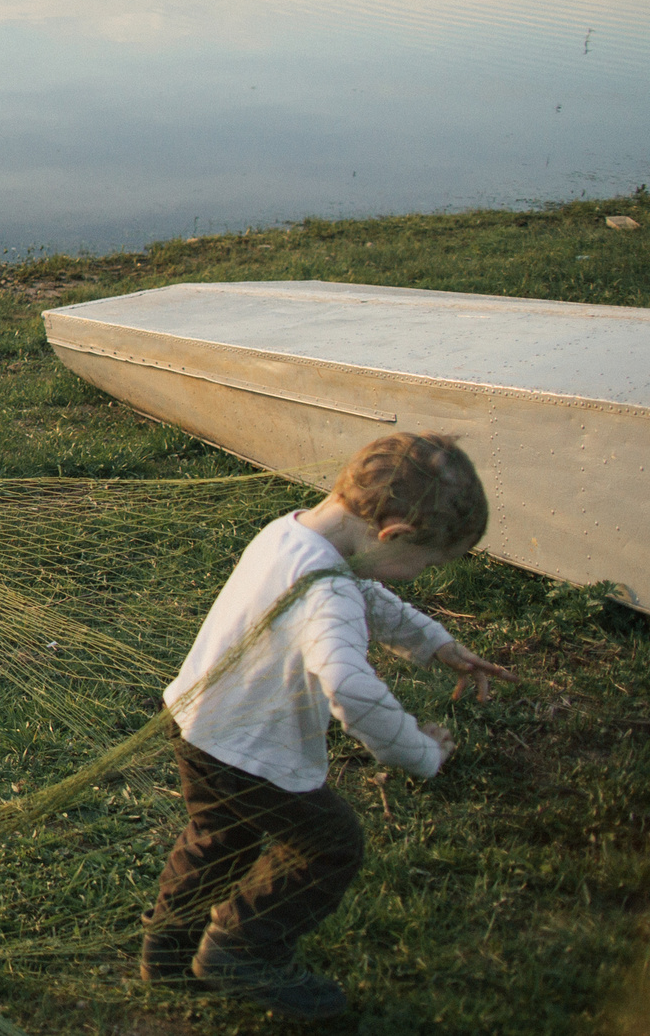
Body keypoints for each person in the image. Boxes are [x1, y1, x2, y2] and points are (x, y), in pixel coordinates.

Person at [142, 431, 514, 1018]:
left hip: (195, 723)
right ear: (392, 533)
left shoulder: (290, 533)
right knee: (329, 844)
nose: (415, 577)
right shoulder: (329, 588)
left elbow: (362, 593)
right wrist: (419, 752)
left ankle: (164, 950)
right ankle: (241, 951)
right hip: (252, 754)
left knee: (220, 838)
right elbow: (349, 685)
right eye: (423, 564)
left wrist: (434, 643)